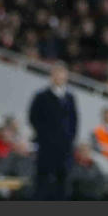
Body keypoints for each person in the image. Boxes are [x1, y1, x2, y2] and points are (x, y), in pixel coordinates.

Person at [28, 61, 79, 200]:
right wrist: (45, 136)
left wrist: (69, 139)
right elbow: (33, 118)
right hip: (46, 148)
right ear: (51, 76)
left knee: (63, 184)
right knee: (42, 183)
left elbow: (74, 121)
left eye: (62, 73)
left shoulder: (70, 98)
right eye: (57, 73)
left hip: (64, 149)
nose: (59, 76)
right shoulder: (41, 96)